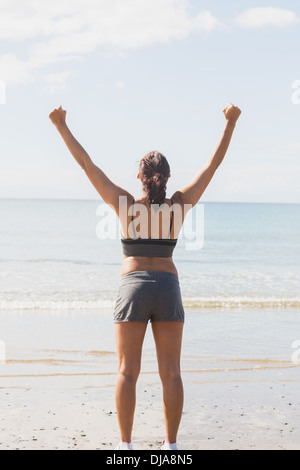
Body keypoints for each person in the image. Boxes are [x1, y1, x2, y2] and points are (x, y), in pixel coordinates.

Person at [49, 103, 242, 450]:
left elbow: (85, 164)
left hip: (133, 286)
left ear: (140, 176)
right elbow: (213, 165)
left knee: (126, 371)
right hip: (167, 287)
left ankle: (126, 446)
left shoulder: (125, 204)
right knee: (171, 372)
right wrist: (230, 123)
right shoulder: (178, 205)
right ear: (166, 178)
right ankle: (171, 446)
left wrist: (62, 125)